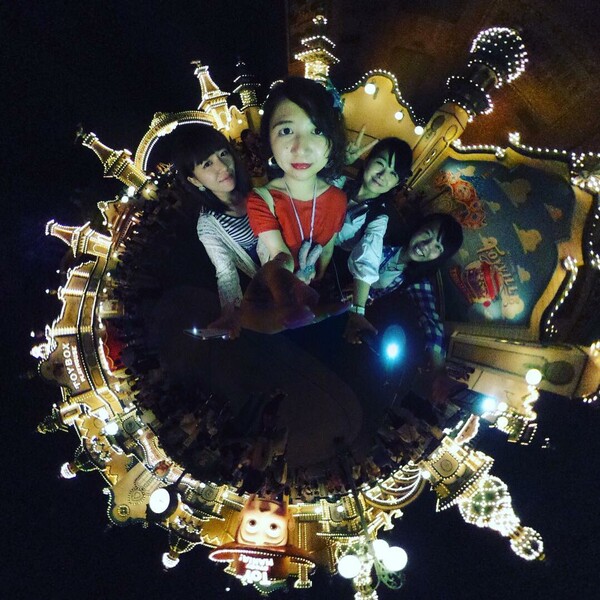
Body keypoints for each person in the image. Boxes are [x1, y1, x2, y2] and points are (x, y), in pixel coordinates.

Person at [345, 212, 463, 401]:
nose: (426, 246)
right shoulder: (385, 235)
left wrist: (439, 370)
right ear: (418, 227)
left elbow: (430, 319)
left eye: (437, 247)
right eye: (427, 234)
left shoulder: (415, 278)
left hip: (345, 312)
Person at [247, 77, 348, 284]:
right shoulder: (262, 200)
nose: (301, 148)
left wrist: (318, 278)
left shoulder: (338, 199)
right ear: (269, 140)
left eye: (317, 130)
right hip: (283, 289)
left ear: (333, 140)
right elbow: (280, 254)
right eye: (286, 131)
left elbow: (327, 250)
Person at [173, 125, 267, 338]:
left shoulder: (258, 186)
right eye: (207, 164)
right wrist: (230, 312)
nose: (223, 166)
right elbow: (226, 272)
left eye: (223, 154)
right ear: (194, 180)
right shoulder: (208, 225)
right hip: (271, 280)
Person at [336, 135, 413, 338]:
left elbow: (367, 258)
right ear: (367, 160)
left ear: (397, 183)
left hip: (324, 268)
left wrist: (358, 311)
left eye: (393, 173)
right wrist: (338, 162)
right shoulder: (340, 182)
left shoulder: (378, 216)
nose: (382, 175)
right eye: (380, 163)